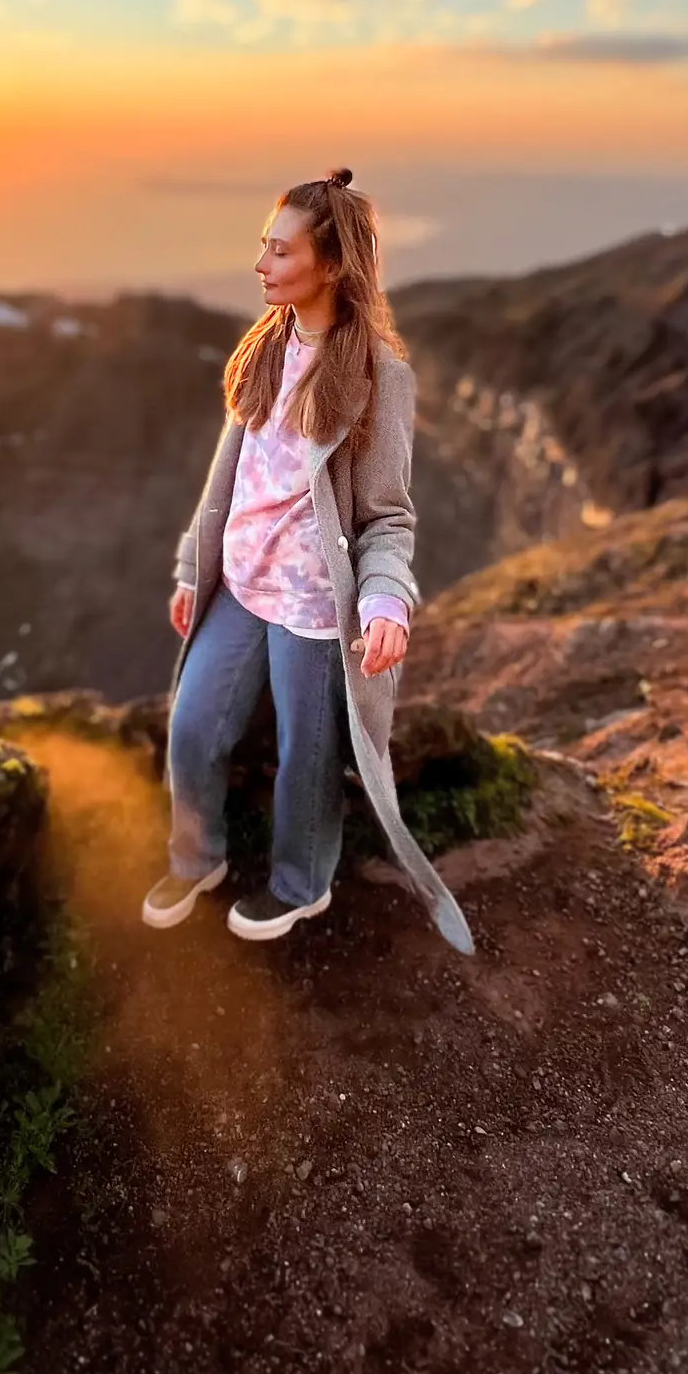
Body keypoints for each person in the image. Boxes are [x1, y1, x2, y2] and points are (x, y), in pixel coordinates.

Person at [142, 169, 473, 955]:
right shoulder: (264, 347)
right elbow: (229, 478)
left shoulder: (377, 378)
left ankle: (301, 884)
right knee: (190, 731)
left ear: (330, 266)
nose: (260, 262)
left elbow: (389, 515)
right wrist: (194, 567)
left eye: (279, 250)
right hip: (241, 588)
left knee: (308, 759)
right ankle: (198, 860)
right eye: (263, 244)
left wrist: (385, 603)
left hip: (318, 606)